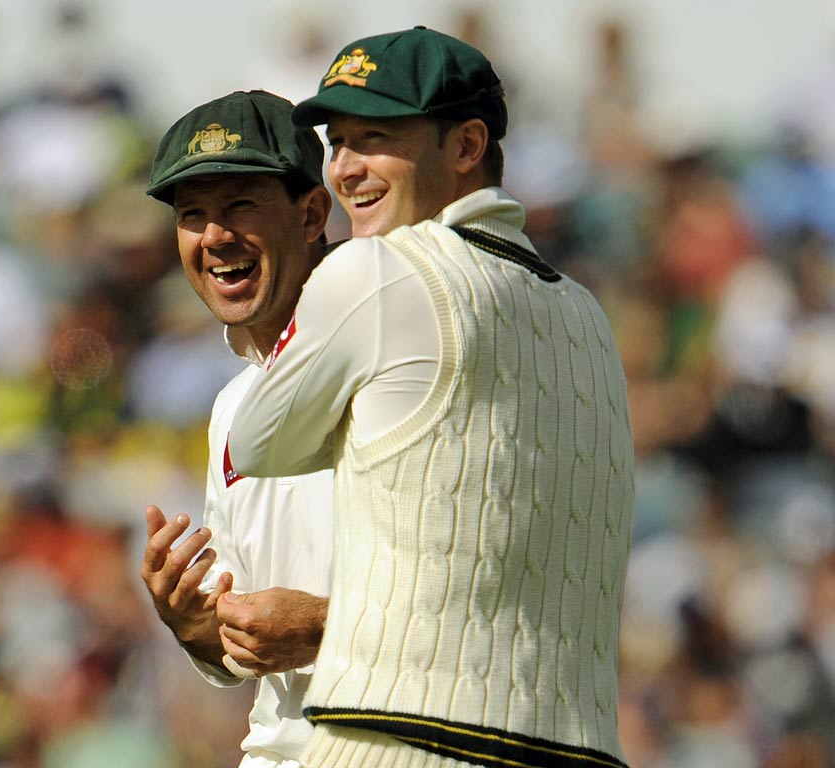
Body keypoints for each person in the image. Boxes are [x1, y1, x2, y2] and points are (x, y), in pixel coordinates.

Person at [228, 27, 636, 768]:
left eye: (376, 137)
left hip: (399, 738)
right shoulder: (586, 311)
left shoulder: (374, 270)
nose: (344, 170)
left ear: (467, 145)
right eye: (337, 140)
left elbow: (255, 444)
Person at [140, 90, 335, 768]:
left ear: (312, 213)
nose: (215, 235)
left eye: (240, 206)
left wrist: (324, 628)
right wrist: (199, 631)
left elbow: (486, 595)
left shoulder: (392, 365)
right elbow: (253, 650)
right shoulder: (233, 404)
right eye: (193, 214)